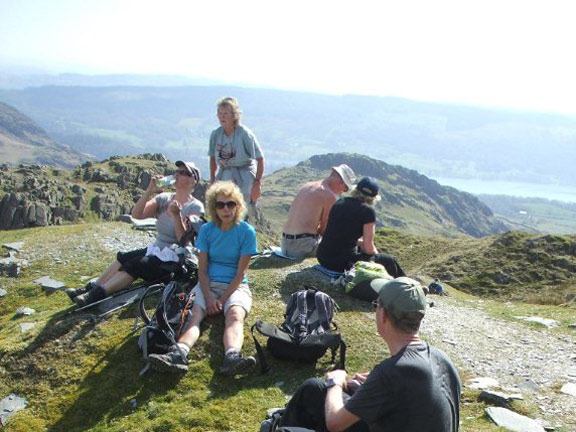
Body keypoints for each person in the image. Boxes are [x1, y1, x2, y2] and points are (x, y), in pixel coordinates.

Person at [278, 277, 461, 432]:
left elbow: (335, 423)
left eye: (377, 305)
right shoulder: (442, 359)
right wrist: (371, 388)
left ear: (382, 315)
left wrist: (334, 381)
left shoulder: (391, 372)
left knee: (315, 388)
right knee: (315, 390)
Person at [148, 181, 258, 376]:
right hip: (207, 283)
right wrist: (208, 297)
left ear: (238, 205)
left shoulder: (247, 232)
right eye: (220, 205)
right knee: (193, 317)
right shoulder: (207, 231)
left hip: (236, 286)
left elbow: (241, 274)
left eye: (230, 204)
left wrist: (221, 300)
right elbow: (203, 269)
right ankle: (178, 354)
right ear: (213, 208)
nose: (225, 209)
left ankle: (232, 357)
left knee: (234, 315)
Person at [65, 161, 204, 307]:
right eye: (177, 172)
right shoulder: (165, 198)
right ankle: (92, 287)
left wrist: (177, 216)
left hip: (176, 259)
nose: (177, 175)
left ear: (193, 181)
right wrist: (150, 190)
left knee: (136, 265)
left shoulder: (195, 207)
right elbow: (137, 215)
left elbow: (183, 239)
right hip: (157, 250)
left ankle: (95, 296)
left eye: (183, 173)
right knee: (123, 258)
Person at [316, 177, 405, 278]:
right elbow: (368, 248)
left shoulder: (339, 202)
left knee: (360, 248)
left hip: (322, 257)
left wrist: (360, 243)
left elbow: (338, 234)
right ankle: (405, 284)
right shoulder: (367, 212)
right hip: (341, 264)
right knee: (388, 260)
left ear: (356, 189)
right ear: (374, 197)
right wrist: (375, 254)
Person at [281, 164, 356, 260]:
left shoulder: (308, 185)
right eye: (345, 189)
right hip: (302, 246)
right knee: (344, 247)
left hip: (285, 244)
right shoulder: (329, 196)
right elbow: (324, 231)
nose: (342, 192)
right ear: (341, 183)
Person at [208, 97, 264, 219]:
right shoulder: (216, 134)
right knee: (222, 204)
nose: (222, 117)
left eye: (225, 113)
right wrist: (212, 179)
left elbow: (260, 158)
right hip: (225, 172)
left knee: (241, 208)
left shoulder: (244, 134)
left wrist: (257, 183)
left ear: (234, 115)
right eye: (220, 113)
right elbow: (212, 158)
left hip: (244, 174)